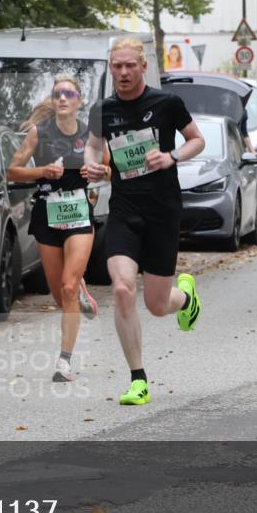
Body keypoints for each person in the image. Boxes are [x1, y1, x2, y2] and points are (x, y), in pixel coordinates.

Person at [83, 38, 206, 406]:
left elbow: (196, 140)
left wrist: (171, 156)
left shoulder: (166, 103)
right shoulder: (102, 109)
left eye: (128, 66)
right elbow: (92, 145)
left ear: (142, 67)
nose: (122, 73)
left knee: (156, 304)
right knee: (122, 289)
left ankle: (185, 299)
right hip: (123, 209)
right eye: (116, 66)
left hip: (163, 211)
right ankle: (138, 379)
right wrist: (92, 164)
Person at [7, 76, 109, 382]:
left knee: (66, 287)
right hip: (47, 213)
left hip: (78, 211)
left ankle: (64, 362)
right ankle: (76, 289)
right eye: (57, 94)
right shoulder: (39, 133)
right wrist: (42, 171)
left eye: (69, 94)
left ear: (79, 101)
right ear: (53, 101)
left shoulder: (92, 136)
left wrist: (100, 170)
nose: (63, 98)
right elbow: (12, 170)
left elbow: (110, 170)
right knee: (59, 293)